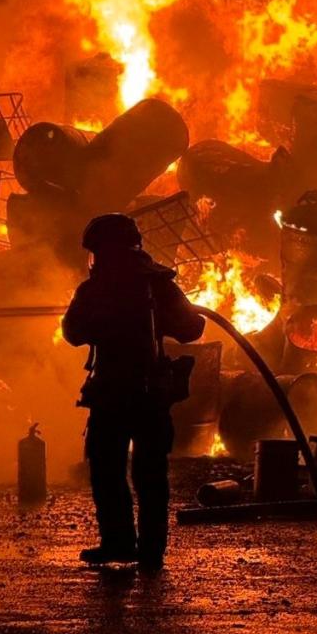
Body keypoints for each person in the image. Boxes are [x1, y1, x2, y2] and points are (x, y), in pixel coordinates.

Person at [62, 213, 205, 571]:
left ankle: (119, 543)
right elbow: (191, 329)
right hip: (150, 395)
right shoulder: (159, 284)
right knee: (151, 474)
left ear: (104, 252)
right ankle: (151, 552)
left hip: (111, 393)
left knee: (107, 470)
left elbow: (72, 332)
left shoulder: (94, 289)